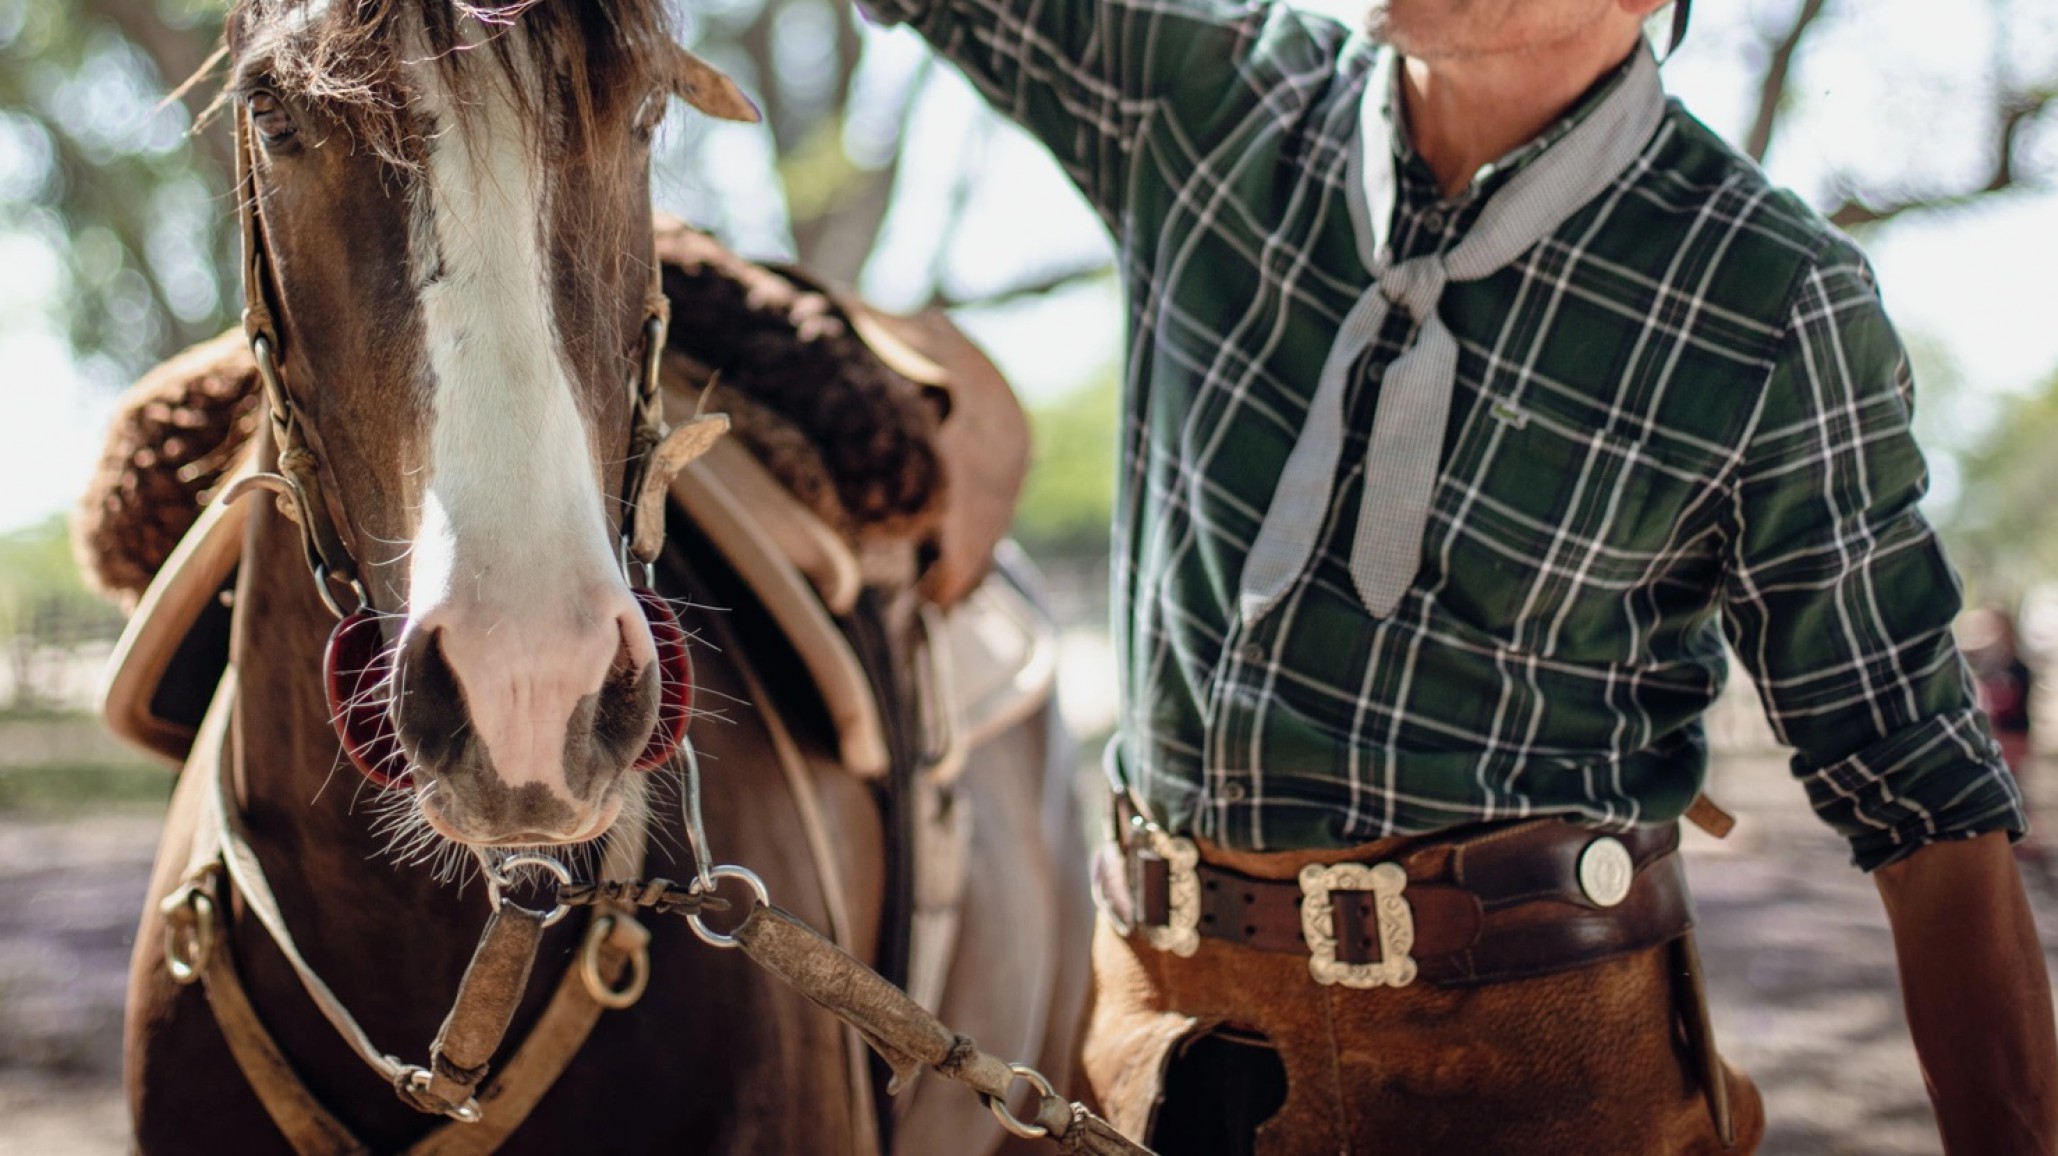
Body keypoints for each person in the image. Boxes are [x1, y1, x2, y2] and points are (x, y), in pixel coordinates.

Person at [851, 0, 2058, 1149]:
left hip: (1535, 1080)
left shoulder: (1772, 300)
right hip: (1152, 1060)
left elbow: (1926, 809)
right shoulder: (1209, 96)